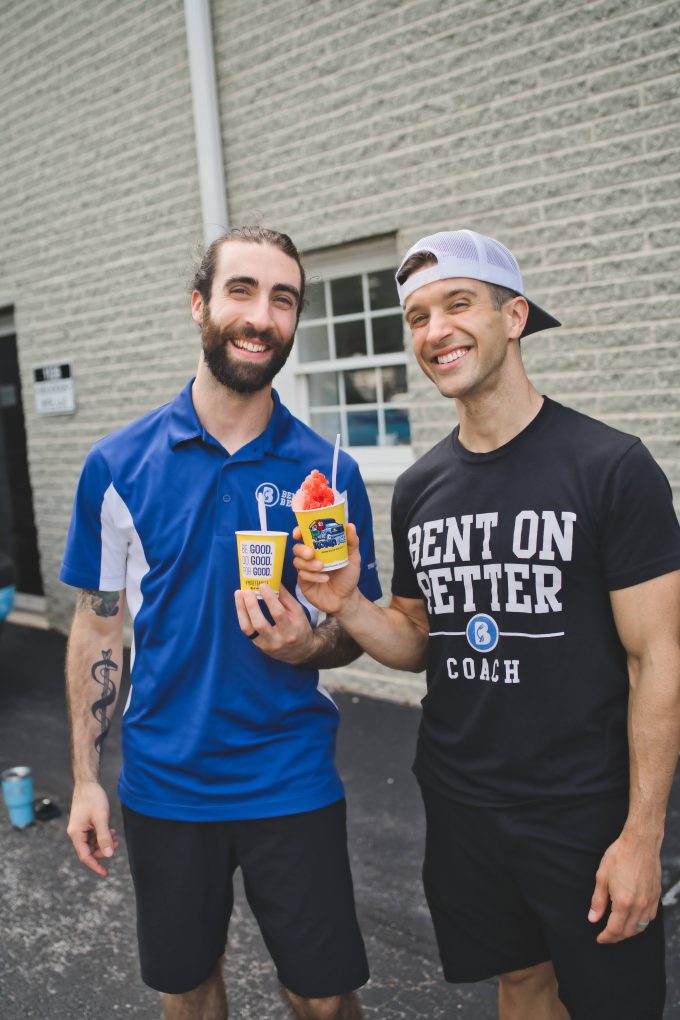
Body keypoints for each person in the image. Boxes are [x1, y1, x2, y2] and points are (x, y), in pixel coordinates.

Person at [292, 228, 680, 1020]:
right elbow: (417, 640)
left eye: (458, 304)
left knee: (614, 1004)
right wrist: (349, 605)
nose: (435, 331)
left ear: (515, 316)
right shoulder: (421, 486)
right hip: (463, 801)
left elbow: (658, 660)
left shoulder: (611, 467)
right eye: (418, 317)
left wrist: (644, 836)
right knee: (520, 981)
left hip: (584, 806)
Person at [61, 225, 381, 1020]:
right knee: (190, 989)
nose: (262, 316)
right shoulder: (117, 465)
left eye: (283, 299)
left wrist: (308, 642)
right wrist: (85, 781)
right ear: (199, 304)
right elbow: (98, 629)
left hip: (291, 778)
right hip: (167, 785)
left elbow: (354, 626)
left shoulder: (328, 473)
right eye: (242, 290)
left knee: (324, 997)